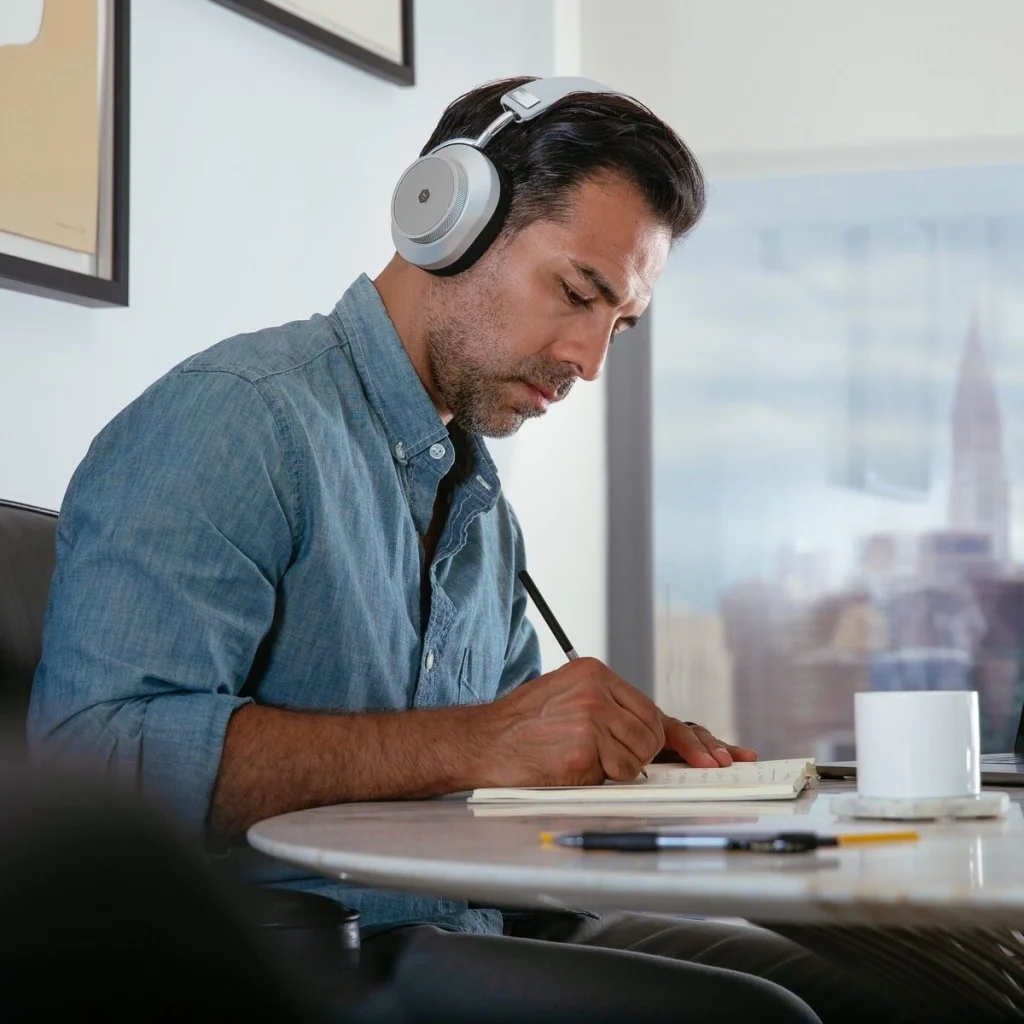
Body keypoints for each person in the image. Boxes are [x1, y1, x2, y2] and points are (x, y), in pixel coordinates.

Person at [28, 76, 903, 1023]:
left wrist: (624, 765)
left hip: (492, 921)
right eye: (577, 292)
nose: (589, 360)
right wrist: (484, 740)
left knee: (882, 998)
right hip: (310, 959)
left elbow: (512, 772)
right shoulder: (238, 419)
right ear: (450, 218)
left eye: (618, 325)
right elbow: (91, 761)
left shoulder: (483, 511)